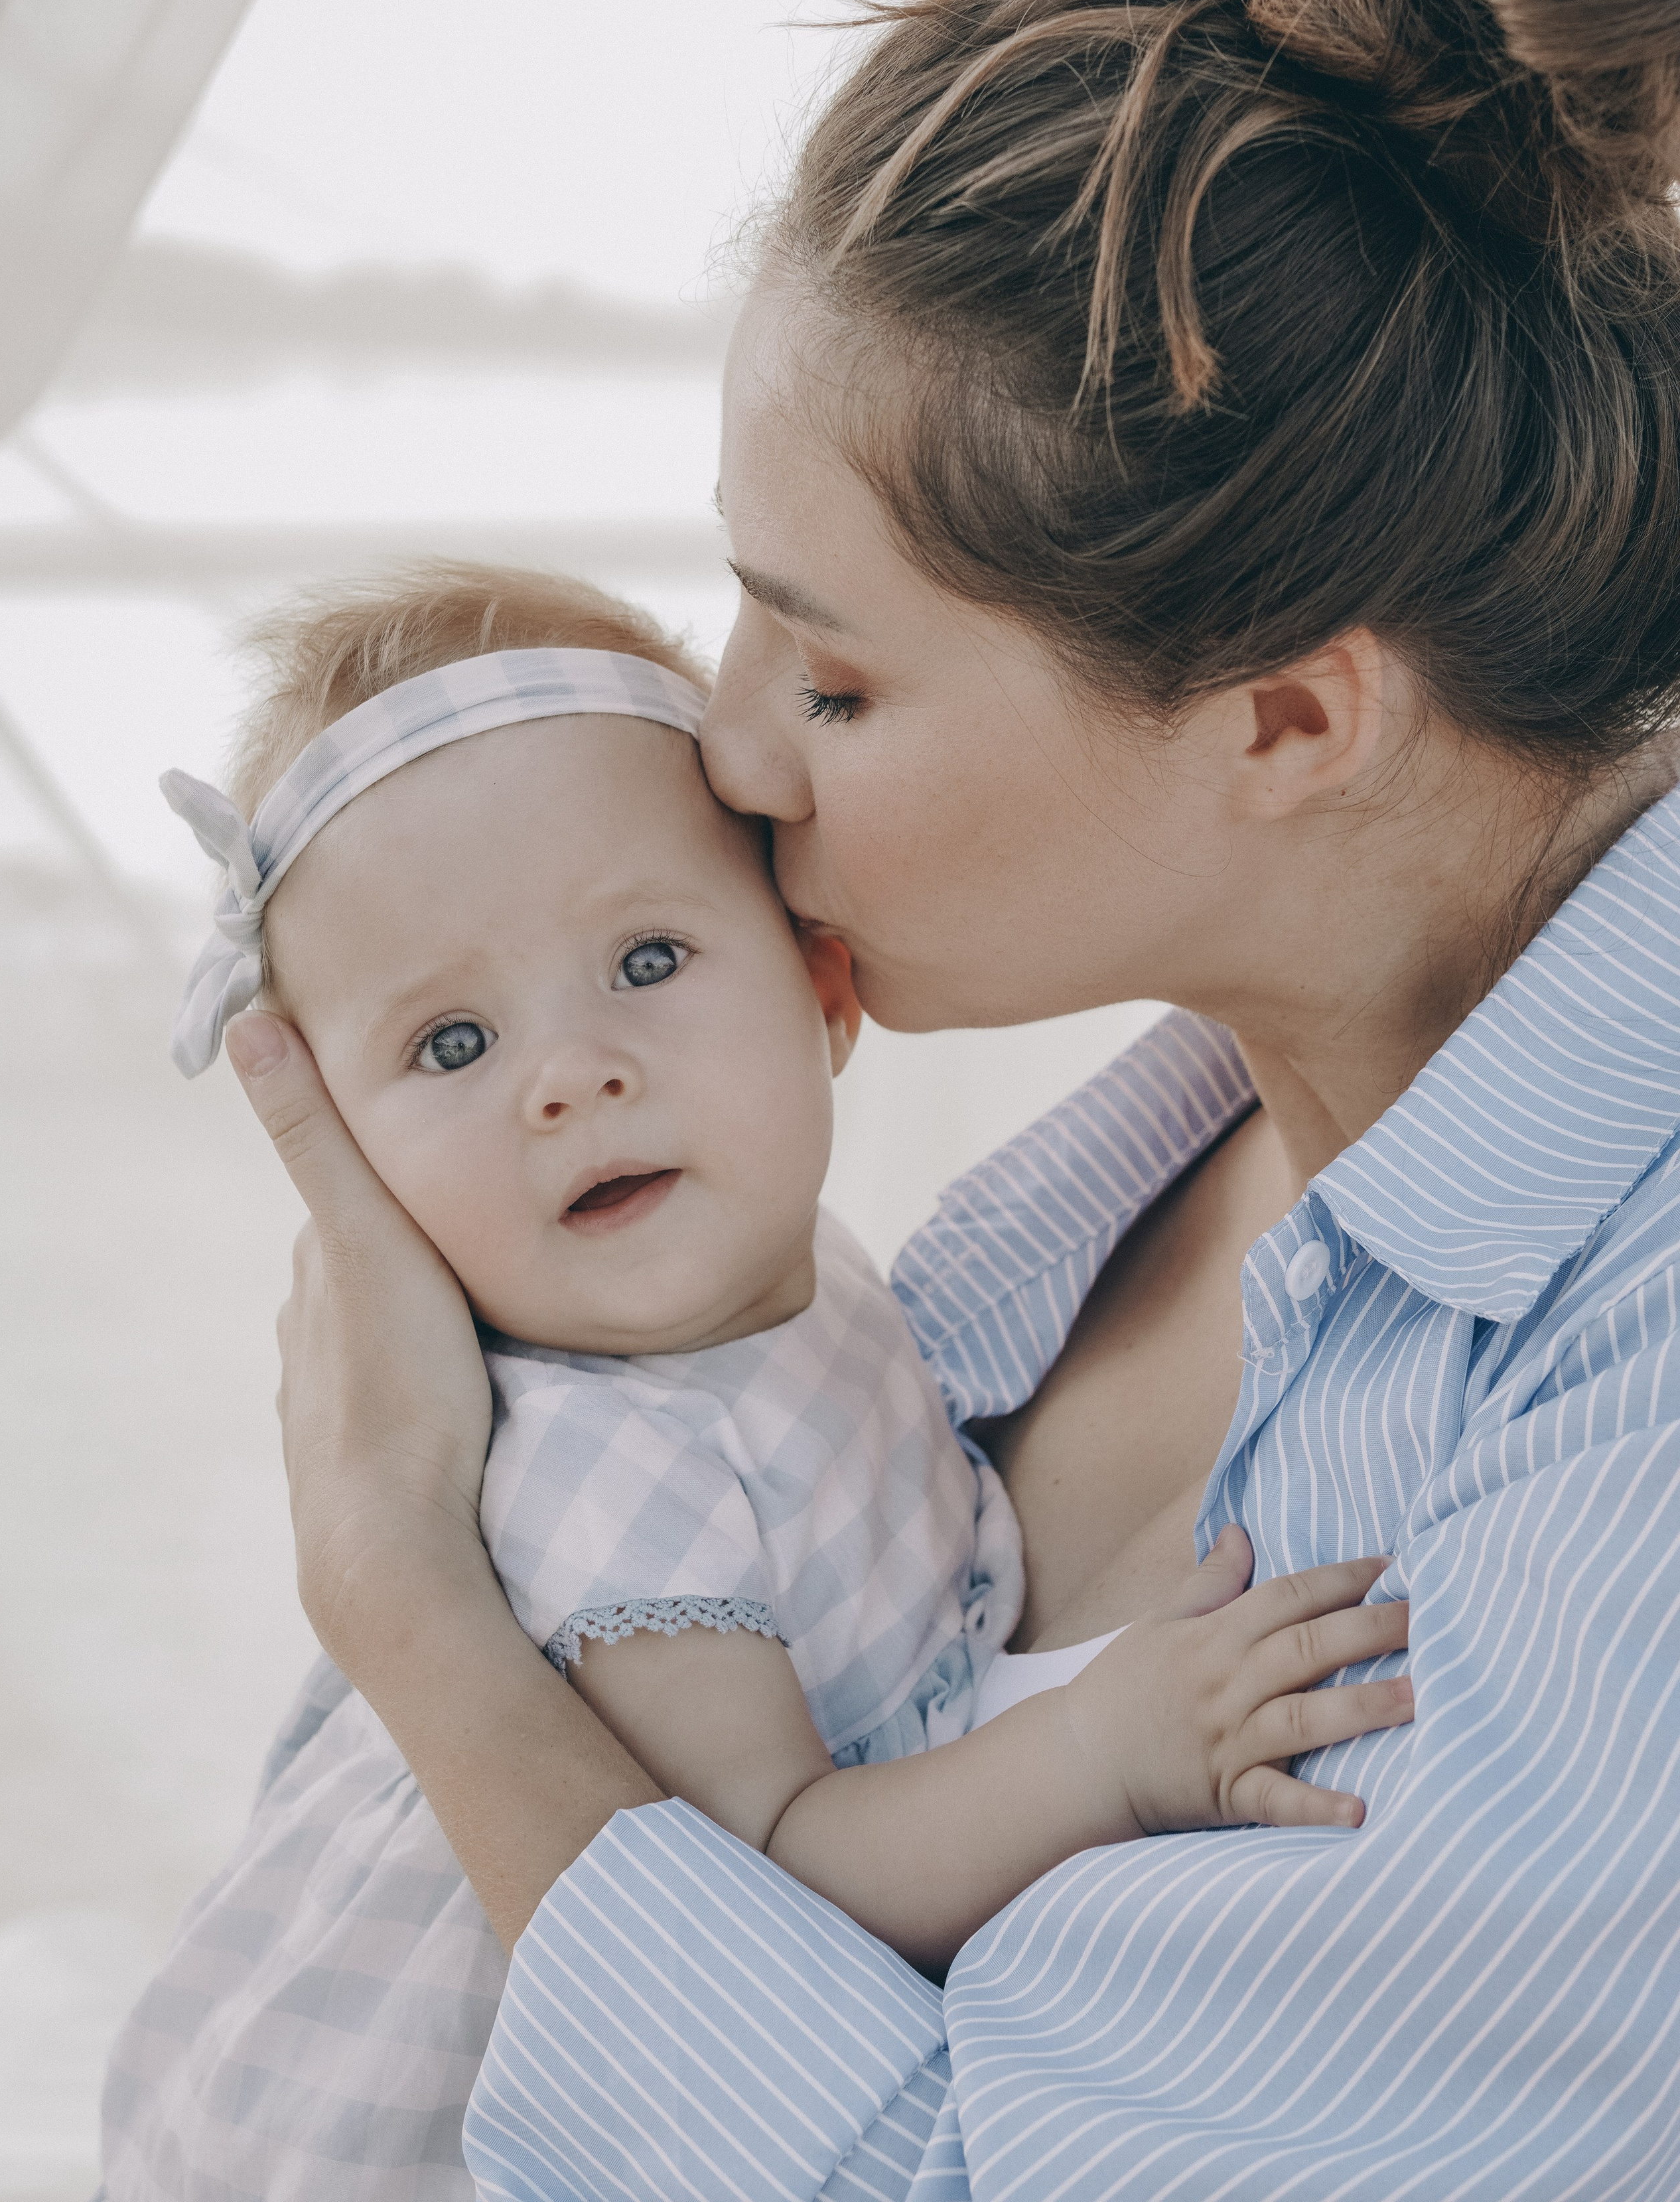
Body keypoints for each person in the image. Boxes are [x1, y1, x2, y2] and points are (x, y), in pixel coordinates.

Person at [223, 0, 1680, 2199]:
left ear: (1290, 719)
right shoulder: (1121, 1179)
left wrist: (415, 1614)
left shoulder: (1614, 1441)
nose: (725, 741)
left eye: (836, 672)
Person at [100, 565, 1409, 2202]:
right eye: (450, 1046)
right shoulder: (602, 1470)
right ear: (345, 1167)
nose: (575, 1076)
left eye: (647, 959)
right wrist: (1104, 1747)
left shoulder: (796, 1277)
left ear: (822, 986)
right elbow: (783, 1874)